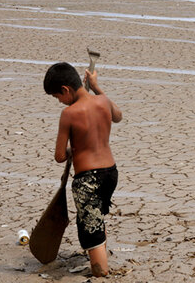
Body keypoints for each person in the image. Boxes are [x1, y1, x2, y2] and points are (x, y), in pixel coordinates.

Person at [43, 62, 122, 277]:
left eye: (57, 96)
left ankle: (101, 271)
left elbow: (60, 156)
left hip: (88, 180)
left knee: (90, 229)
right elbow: (118, 116)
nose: (59, 101)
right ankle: (101, 258)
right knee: (95, 216)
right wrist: (96, 87)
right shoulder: (103, 101)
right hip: (110, 173)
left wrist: (72, 149)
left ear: (65, 90)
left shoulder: (69, 114)